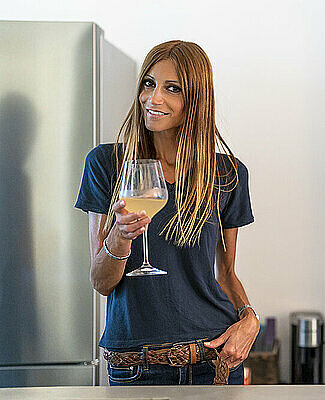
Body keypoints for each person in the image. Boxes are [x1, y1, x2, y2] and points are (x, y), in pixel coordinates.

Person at [75, 40, 259, 386]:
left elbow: (226, 273)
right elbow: (101, 282)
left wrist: (250, 319)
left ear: (196, 101)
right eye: (149, 83)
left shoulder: (227, 174)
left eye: (171, 89)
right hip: (137, 367)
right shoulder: (106, 164)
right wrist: (120, 235)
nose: (153, 98)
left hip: (213, 359)